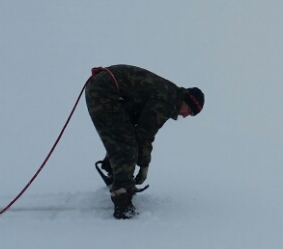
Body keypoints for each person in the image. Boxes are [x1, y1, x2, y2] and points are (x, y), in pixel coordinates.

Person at [86, 65, 204, 219]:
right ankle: (123, 202)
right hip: (104, 92)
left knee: (125, 137)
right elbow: (144, 135)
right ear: (186, 100)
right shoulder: (165, 101)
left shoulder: (169, 94)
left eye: (192, 114)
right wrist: (144, 166)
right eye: (189, 110)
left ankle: (115, 173)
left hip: (103, 87)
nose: (187, 115)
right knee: (127, 146)